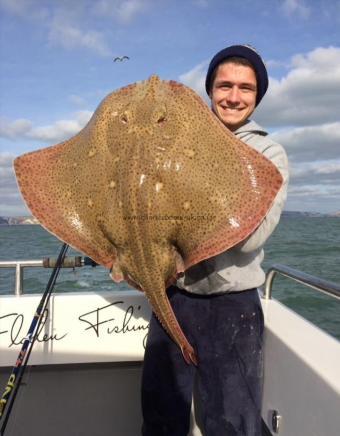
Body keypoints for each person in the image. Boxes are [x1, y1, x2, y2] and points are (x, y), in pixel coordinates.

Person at [141, 44, 289, 436]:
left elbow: (250, 238)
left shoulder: (268, 154)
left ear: (257, 97)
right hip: (173, 295)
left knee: (231, 420)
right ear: (210, 90)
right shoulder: (172, 143)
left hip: (232, 304)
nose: (234, 97)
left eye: (246, 88)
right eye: (225, 86)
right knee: (161, 414)